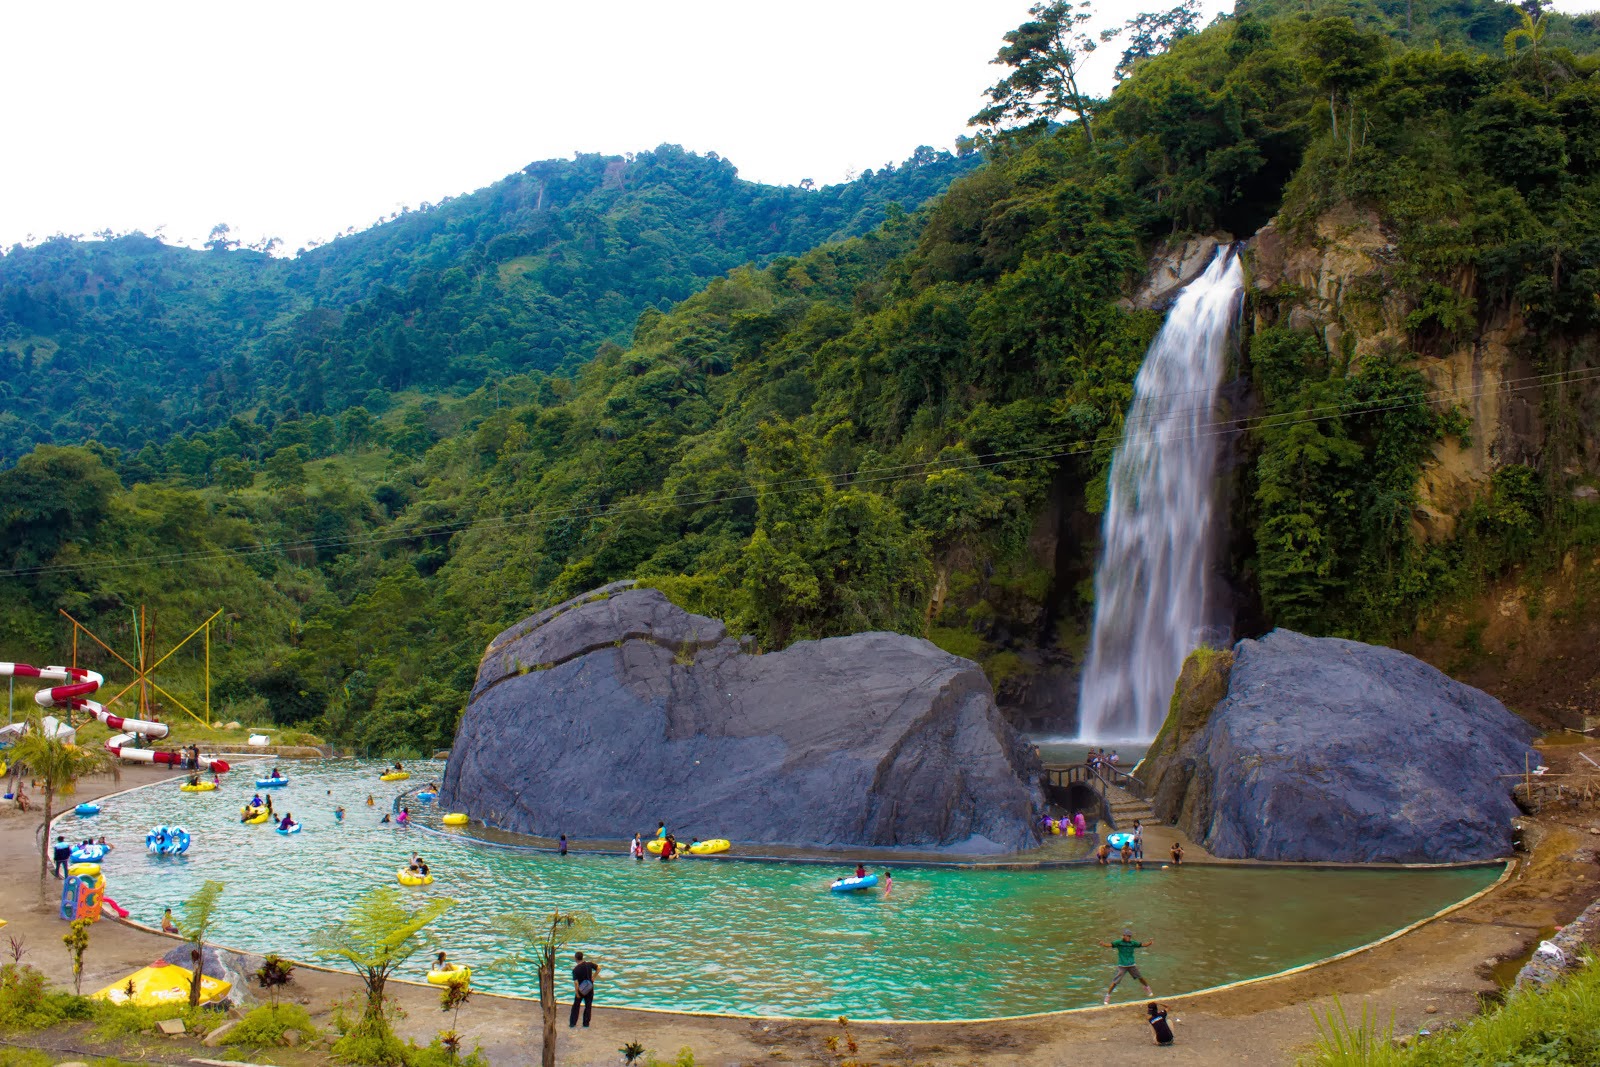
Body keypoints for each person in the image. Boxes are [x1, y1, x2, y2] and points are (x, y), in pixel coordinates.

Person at [1100, 927, 1155, 1005]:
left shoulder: (1133, 943)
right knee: (1115, 982)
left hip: (1131, 965)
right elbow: (1110, 945)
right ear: (1124, 936)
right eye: (1128, 936)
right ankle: (1108, 995)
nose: (1129, 937)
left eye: (1130, 936)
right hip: (1122, 966)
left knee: (1140, 977)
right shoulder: (1119, 942)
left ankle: (1147, 987)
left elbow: (1142, 944)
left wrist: (1150, 943)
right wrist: (1103, 944)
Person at [570, 951, 598, 1028]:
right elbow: (598, 968)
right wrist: (594, 977)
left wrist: (577, 993)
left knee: (576, 1006)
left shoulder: (575, 970)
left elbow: (576, 983)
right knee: (588, 1006)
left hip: (581, 989)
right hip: (589, 988)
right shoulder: (589, 964)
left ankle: (573, 1023)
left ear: (576, 958)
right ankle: (586, 1023)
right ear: (582, 957)